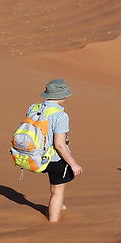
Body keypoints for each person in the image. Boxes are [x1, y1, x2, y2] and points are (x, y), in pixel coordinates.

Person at [40, 79, 82, 222]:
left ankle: (57, 207)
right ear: (62, 96)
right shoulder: (60, 115)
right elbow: (59, 145)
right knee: (58, 192)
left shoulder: (34, 108)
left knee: (54, 187)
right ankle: (53, 223)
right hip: (55, 158)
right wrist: (73, 164)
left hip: (37, 156)